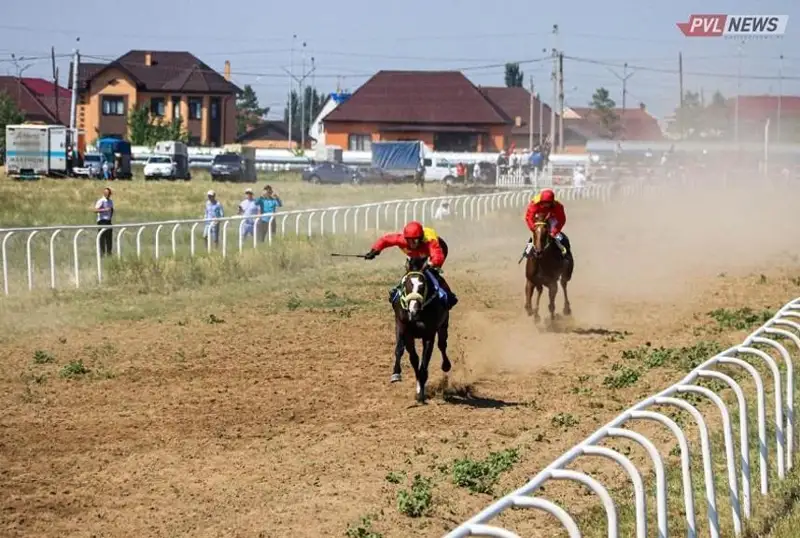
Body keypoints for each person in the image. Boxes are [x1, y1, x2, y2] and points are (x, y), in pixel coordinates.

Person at [364, 221, 458, 309]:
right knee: (412, 272)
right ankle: (397, 291)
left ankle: (447, 294)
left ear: (421, 238)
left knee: (431, 272)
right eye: (409, 241)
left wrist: (431, 264)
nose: (412, 244)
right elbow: (385, 240)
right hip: (417, 254)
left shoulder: (429, 241)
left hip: (438, 250)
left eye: (415, 241)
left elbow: (438, 256)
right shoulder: (401, 239)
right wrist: (375, 250)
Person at [524, 188, 572, 264]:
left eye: (548, 203)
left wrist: (555, 231)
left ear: (552, 202)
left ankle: (565, 252)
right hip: (539, 219)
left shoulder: (558, 206)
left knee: (559, 237)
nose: (546, 204)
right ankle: (527, 251)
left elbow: (561, 220)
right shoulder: (534, 203)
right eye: (544, 202)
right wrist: (533, 228)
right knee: (538, 234)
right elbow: (529, 218)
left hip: (552, 218)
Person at [93, 187, 114, 256]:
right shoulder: (101, 201)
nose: (108, 194)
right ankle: (102, 253)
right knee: (102, 237)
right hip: (102, 221)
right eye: (106, 193)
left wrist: (110, 216)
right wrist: (104, 210)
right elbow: (95, 210)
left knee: (109, 238)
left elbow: (111, 209)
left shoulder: (110, 201)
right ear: (104, 193)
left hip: (108, 221)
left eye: (109, 193)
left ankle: (109, 253)